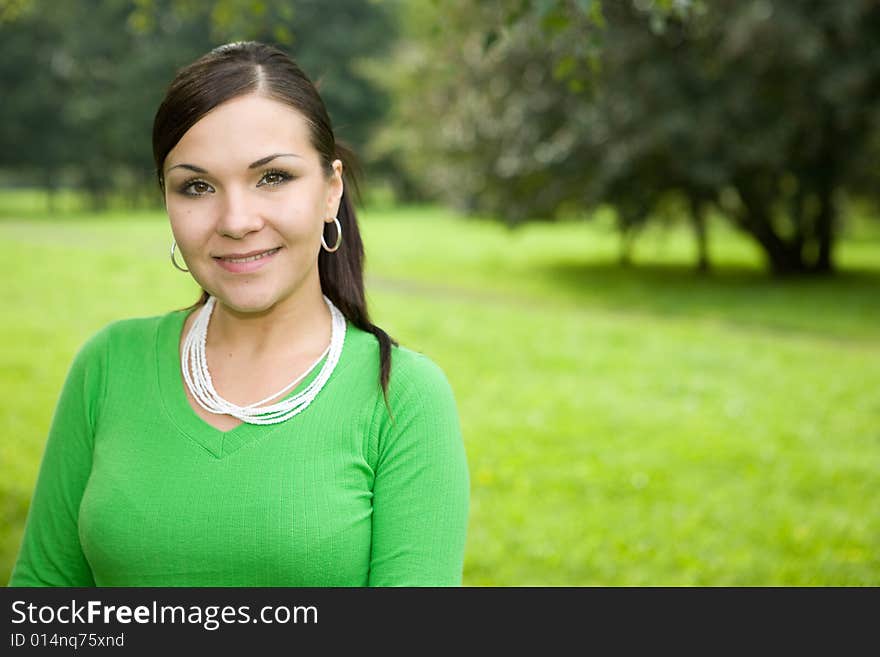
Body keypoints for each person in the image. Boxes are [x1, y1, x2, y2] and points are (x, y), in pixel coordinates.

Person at [8, 41, 470, 587]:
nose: (235, 220)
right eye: (196, 186)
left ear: (330, 190)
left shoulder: (404, 398)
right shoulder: (107, 365)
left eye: (272, 177)